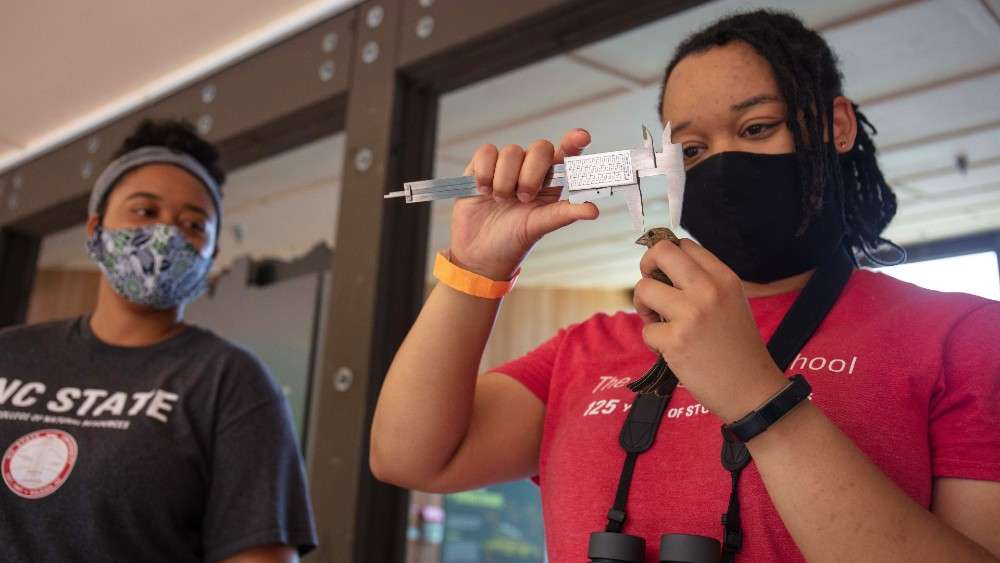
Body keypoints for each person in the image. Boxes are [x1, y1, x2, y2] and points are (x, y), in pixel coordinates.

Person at [370, 10, 1000, 563]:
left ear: (834, 126)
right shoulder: (591, 348)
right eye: (691, 149)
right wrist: (475, 269)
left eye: (757, 128)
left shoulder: (966, 337)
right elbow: (412, 457)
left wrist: (755, 394)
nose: (721, 164)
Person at [0, 119, 318, 562]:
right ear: (95, 230)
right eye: (145, 212)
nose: (167, 236)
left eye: (193, 224)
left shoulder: (227, 382)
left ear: (211, 257)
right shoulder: (11, 356)